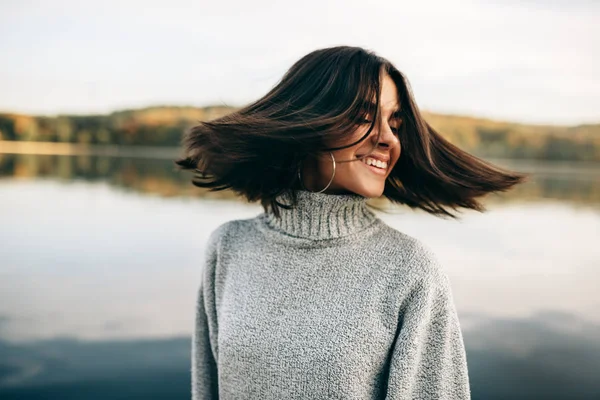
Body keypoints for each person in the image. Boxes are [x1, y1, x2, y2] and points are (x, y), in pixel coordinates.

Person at [175, 45, 525, 399]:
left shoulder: (409, 268)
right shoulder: (230, 246)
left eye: (395, 122)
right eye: (363, 117)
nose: (387, 137)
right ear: (310, 122)